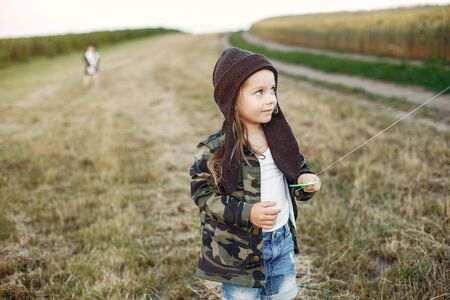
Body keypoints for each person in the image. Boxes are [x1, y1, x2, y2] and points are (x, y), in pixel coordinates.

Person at [189, 47, 321, 300]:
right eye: (259, 92)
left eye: (273, 90)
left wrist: (305, 181)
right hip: (238, 253)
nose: (271, 99)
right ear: (231, 99)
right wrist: (248, 212)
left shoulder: (280, 137)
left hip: (280, 239)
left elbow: (296, 170)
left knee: (282, 295)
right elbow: (203, 196)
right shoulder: (214, 148)